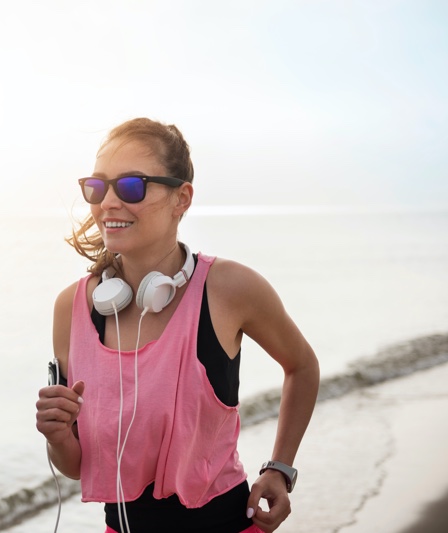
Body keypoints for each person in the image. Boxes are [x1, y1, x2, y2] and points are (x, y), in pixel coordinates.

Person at [35, 117, 320, 533]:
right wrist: (57, 435)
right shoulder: (72, 309)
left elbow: (302, 366)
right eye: (97, 187)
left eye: (131, 186)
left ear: (181, 198)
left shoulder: (229, 288)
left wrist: (280, 468)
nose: (108, 202)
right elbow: (78, 468)